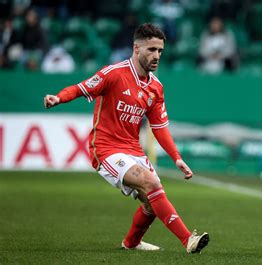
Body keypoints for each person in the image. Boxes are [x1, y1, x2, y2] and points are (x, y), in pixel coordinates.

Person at [43, 23, 209, 253]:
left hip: (133, 149)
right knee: (150, 183)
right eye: (151, 49)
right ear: (136, 48)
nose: (157, 55)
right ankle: (188, 240)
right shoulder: (113, 74)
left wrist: (176, 158)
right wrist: (58, 98)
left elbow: (159, 127)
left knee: (153, 201)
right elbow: (80, 89)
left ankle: (131, 243)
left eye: (160, 51)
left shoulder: (156, 88)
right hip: (105, 148)